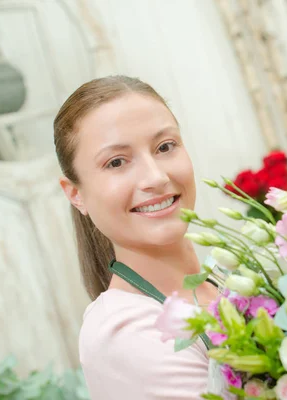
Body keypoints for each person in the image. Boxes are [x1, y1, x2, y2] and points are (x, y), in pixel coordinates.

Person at [54, 75, 224, 399]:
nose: (156, 177)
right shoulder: (126, 332)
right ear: (76, 194)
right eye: (116, 162)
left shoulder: (226, 280)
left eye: (164, 147)